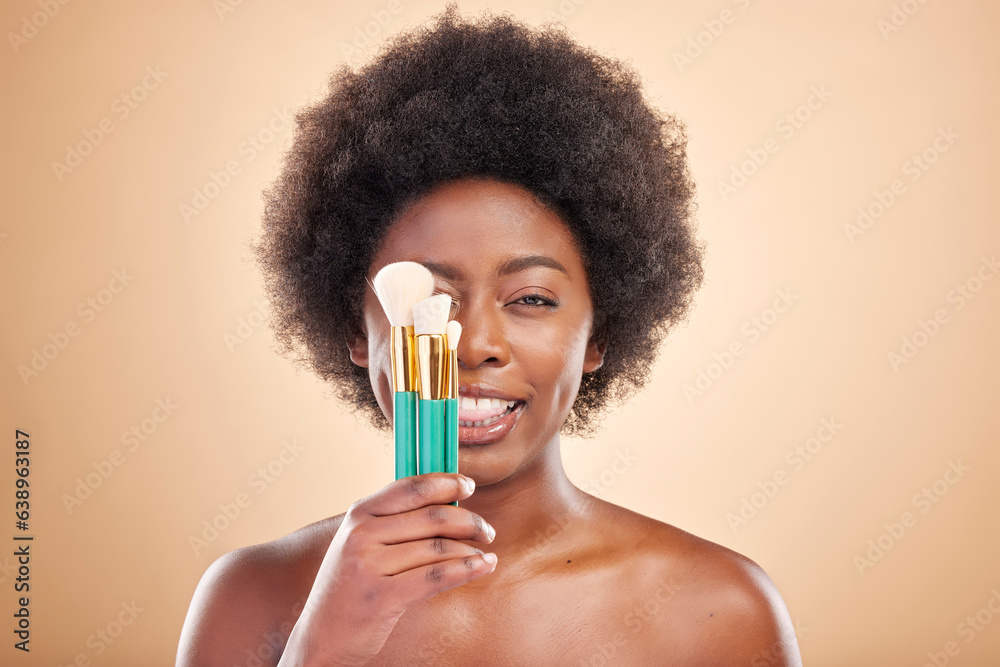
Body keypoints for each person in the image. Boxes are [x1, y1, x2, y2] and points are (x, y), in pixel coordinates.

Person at [177, 5, 802, 665]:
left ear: (599, 335)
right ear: (354, 329)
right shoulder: (254, 596)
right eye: (433, 297)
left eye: (531, 298)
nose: (474, 344)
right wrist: (321, 648)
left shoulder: (719, 609)